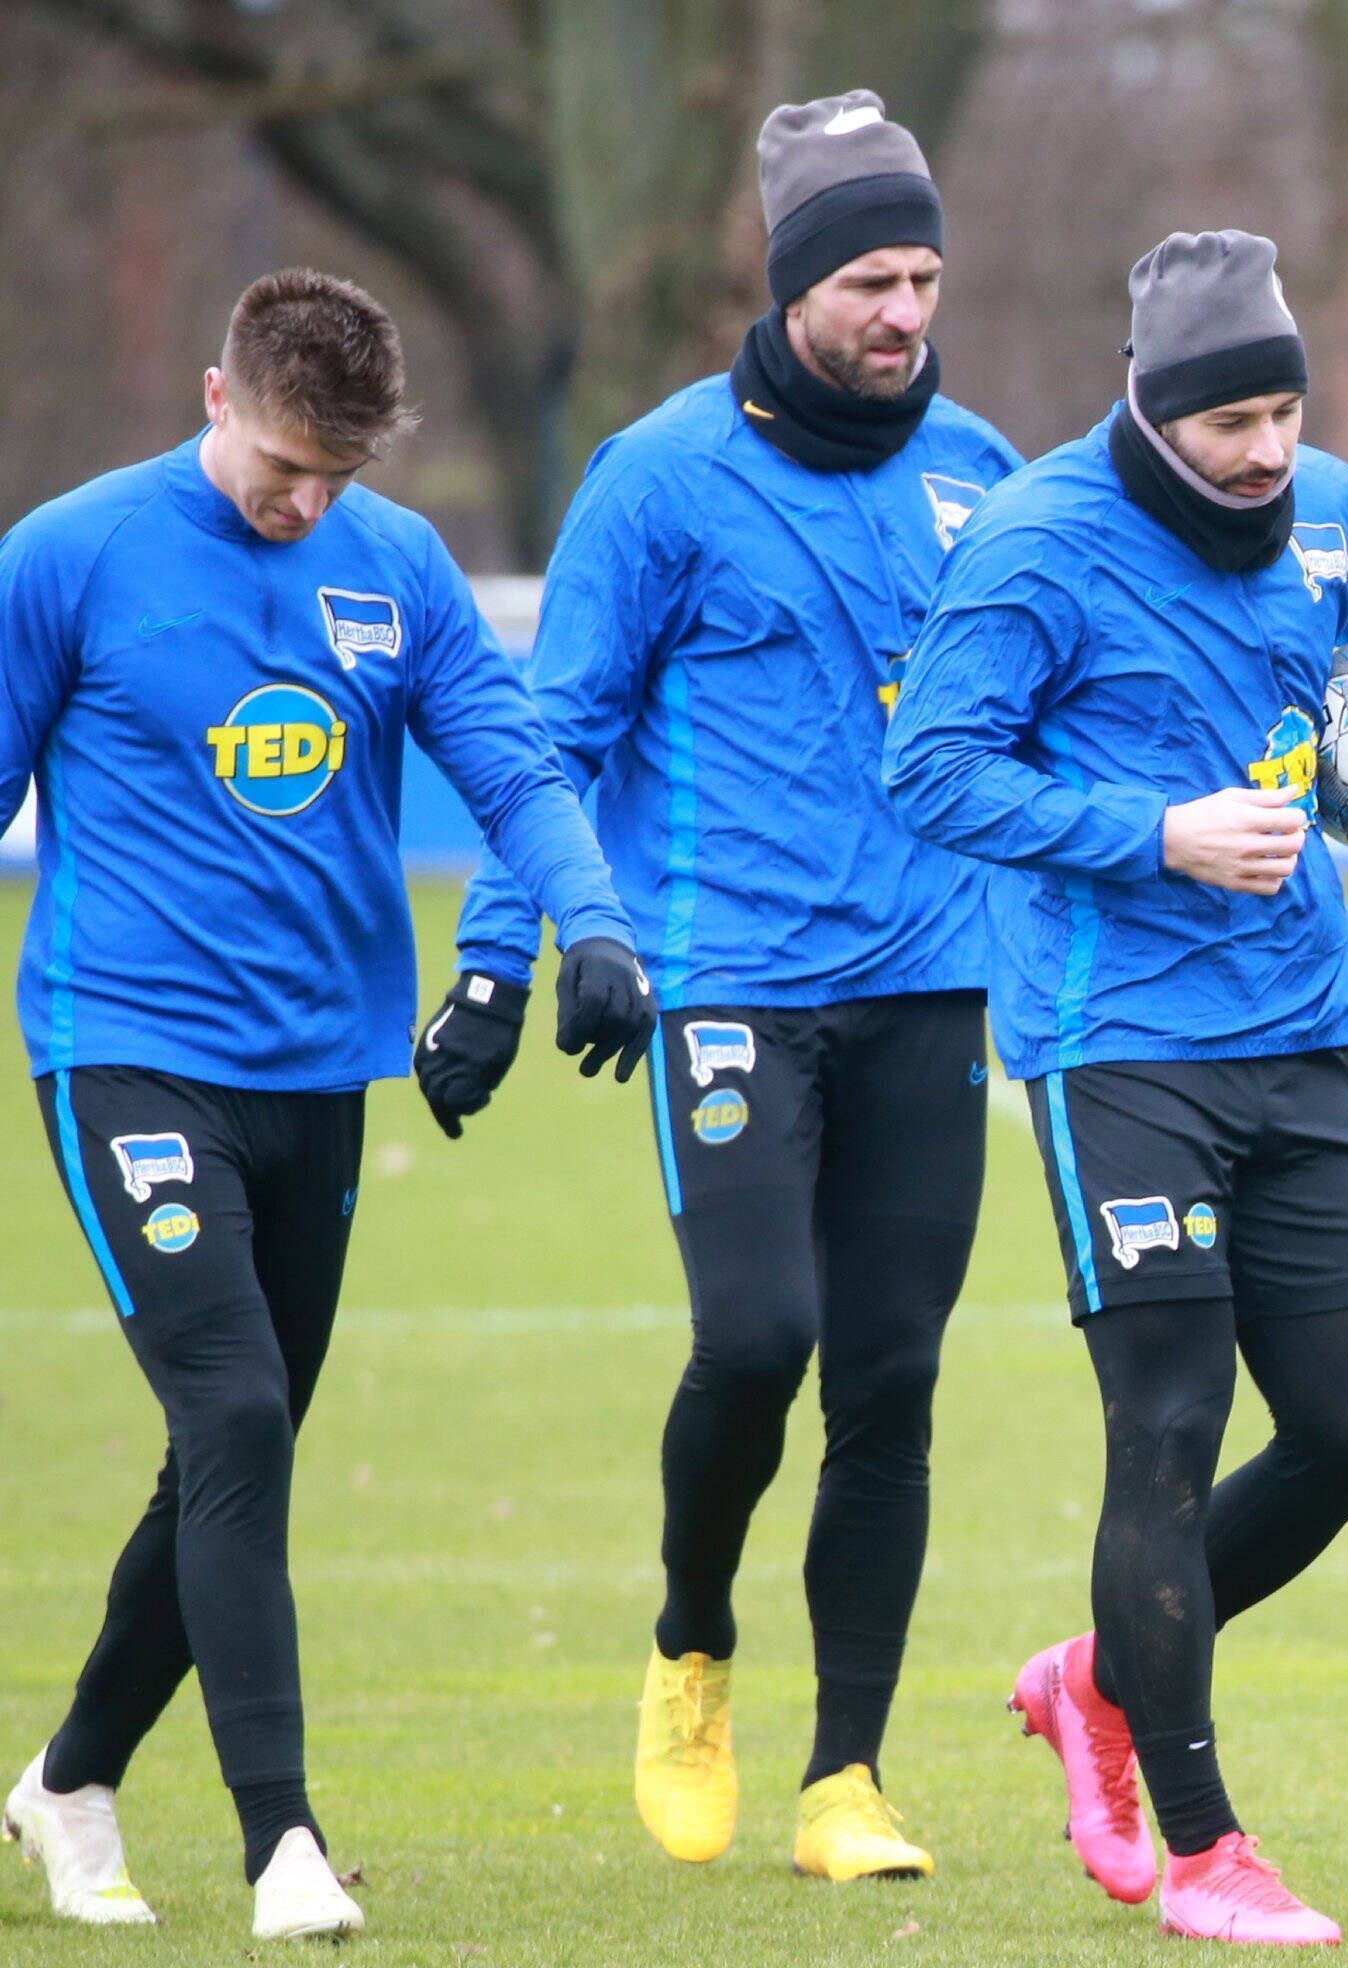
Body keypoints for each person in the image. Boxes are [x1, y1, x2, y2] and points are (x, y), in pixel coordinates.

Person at [883, 229, 1348, 1946]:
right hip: (1116, 1047)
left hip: (1301, 1029)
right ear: (1149, 402)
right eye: (1232, 421)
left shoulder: (1334, 508)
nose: (1267, 449)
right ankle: (1205, 1845)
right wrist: (1154, 833)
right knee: (1169, 1428)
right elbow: (931, 769)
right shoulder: (1040, 545)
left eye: (1284, 409)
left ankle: (1095, 1678)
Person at [0, 271, 650, 1940]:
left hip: (318, 1069)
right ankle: (280, 1836)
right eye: (285, 464)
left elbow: (511, 764)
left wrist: (592, 927)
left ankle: (68, 1779)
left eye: (336, 476)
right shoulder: (68, 556)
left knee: (237, 1437)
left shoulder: (400, 566)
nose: (305, 502)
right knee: (233, 1417)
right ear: (219, 397)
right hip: (128, 1047)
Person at [417, 92, 1022, 1884]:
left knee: (892, 1381)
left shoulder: (986, 471)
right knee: (760, 1338)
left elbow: (1045, 722)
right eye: (871, 281)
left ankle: (848, 1776)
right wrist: (499, 962)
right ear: (794, 284)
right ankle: (692, 1644)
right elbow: (553, 735)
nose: (905, 311)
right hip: (732, 984)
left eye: (924, 275)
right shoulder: (663, 474)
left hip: (930, 987)